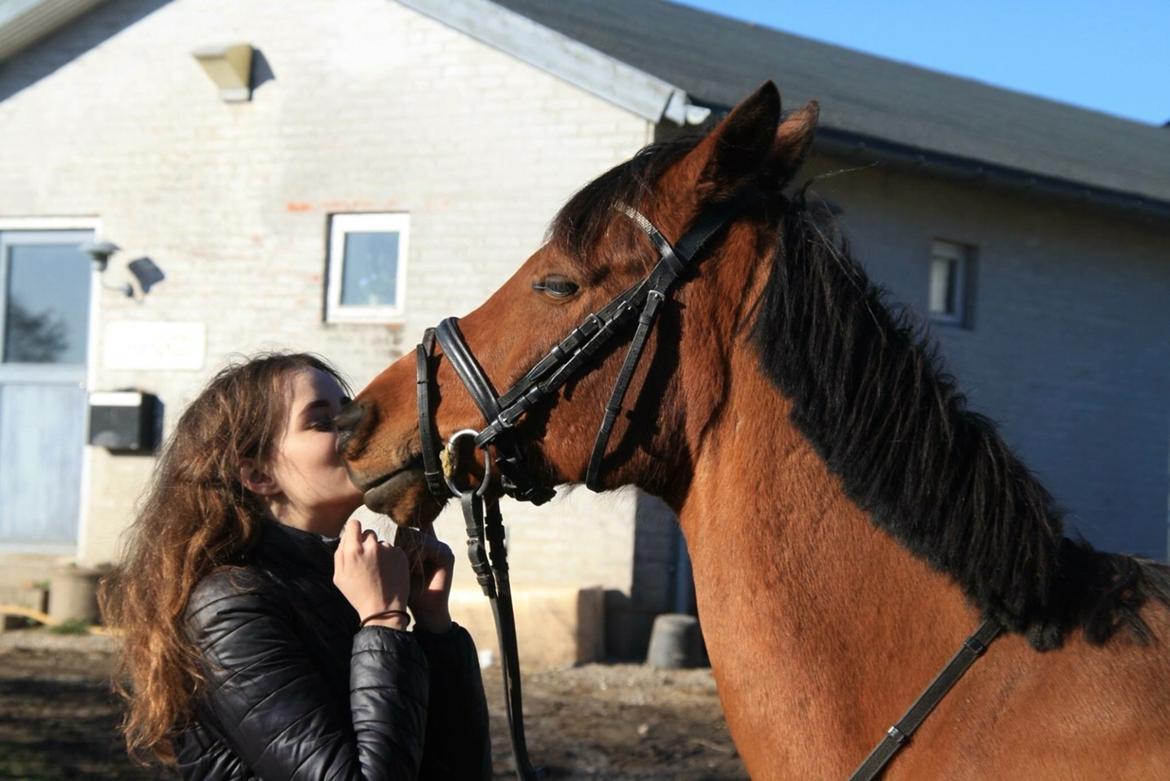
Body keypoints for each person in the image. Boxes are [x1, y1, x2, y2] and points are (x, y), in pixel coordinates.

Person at [99, 353, 491, 779]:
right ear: (259, 475)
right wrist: (383, 621)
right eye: (324, 423)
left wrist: (435, 630)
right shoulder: (229, 606)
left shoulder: (341, 582)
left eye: (350, 414)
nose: (357, 433)